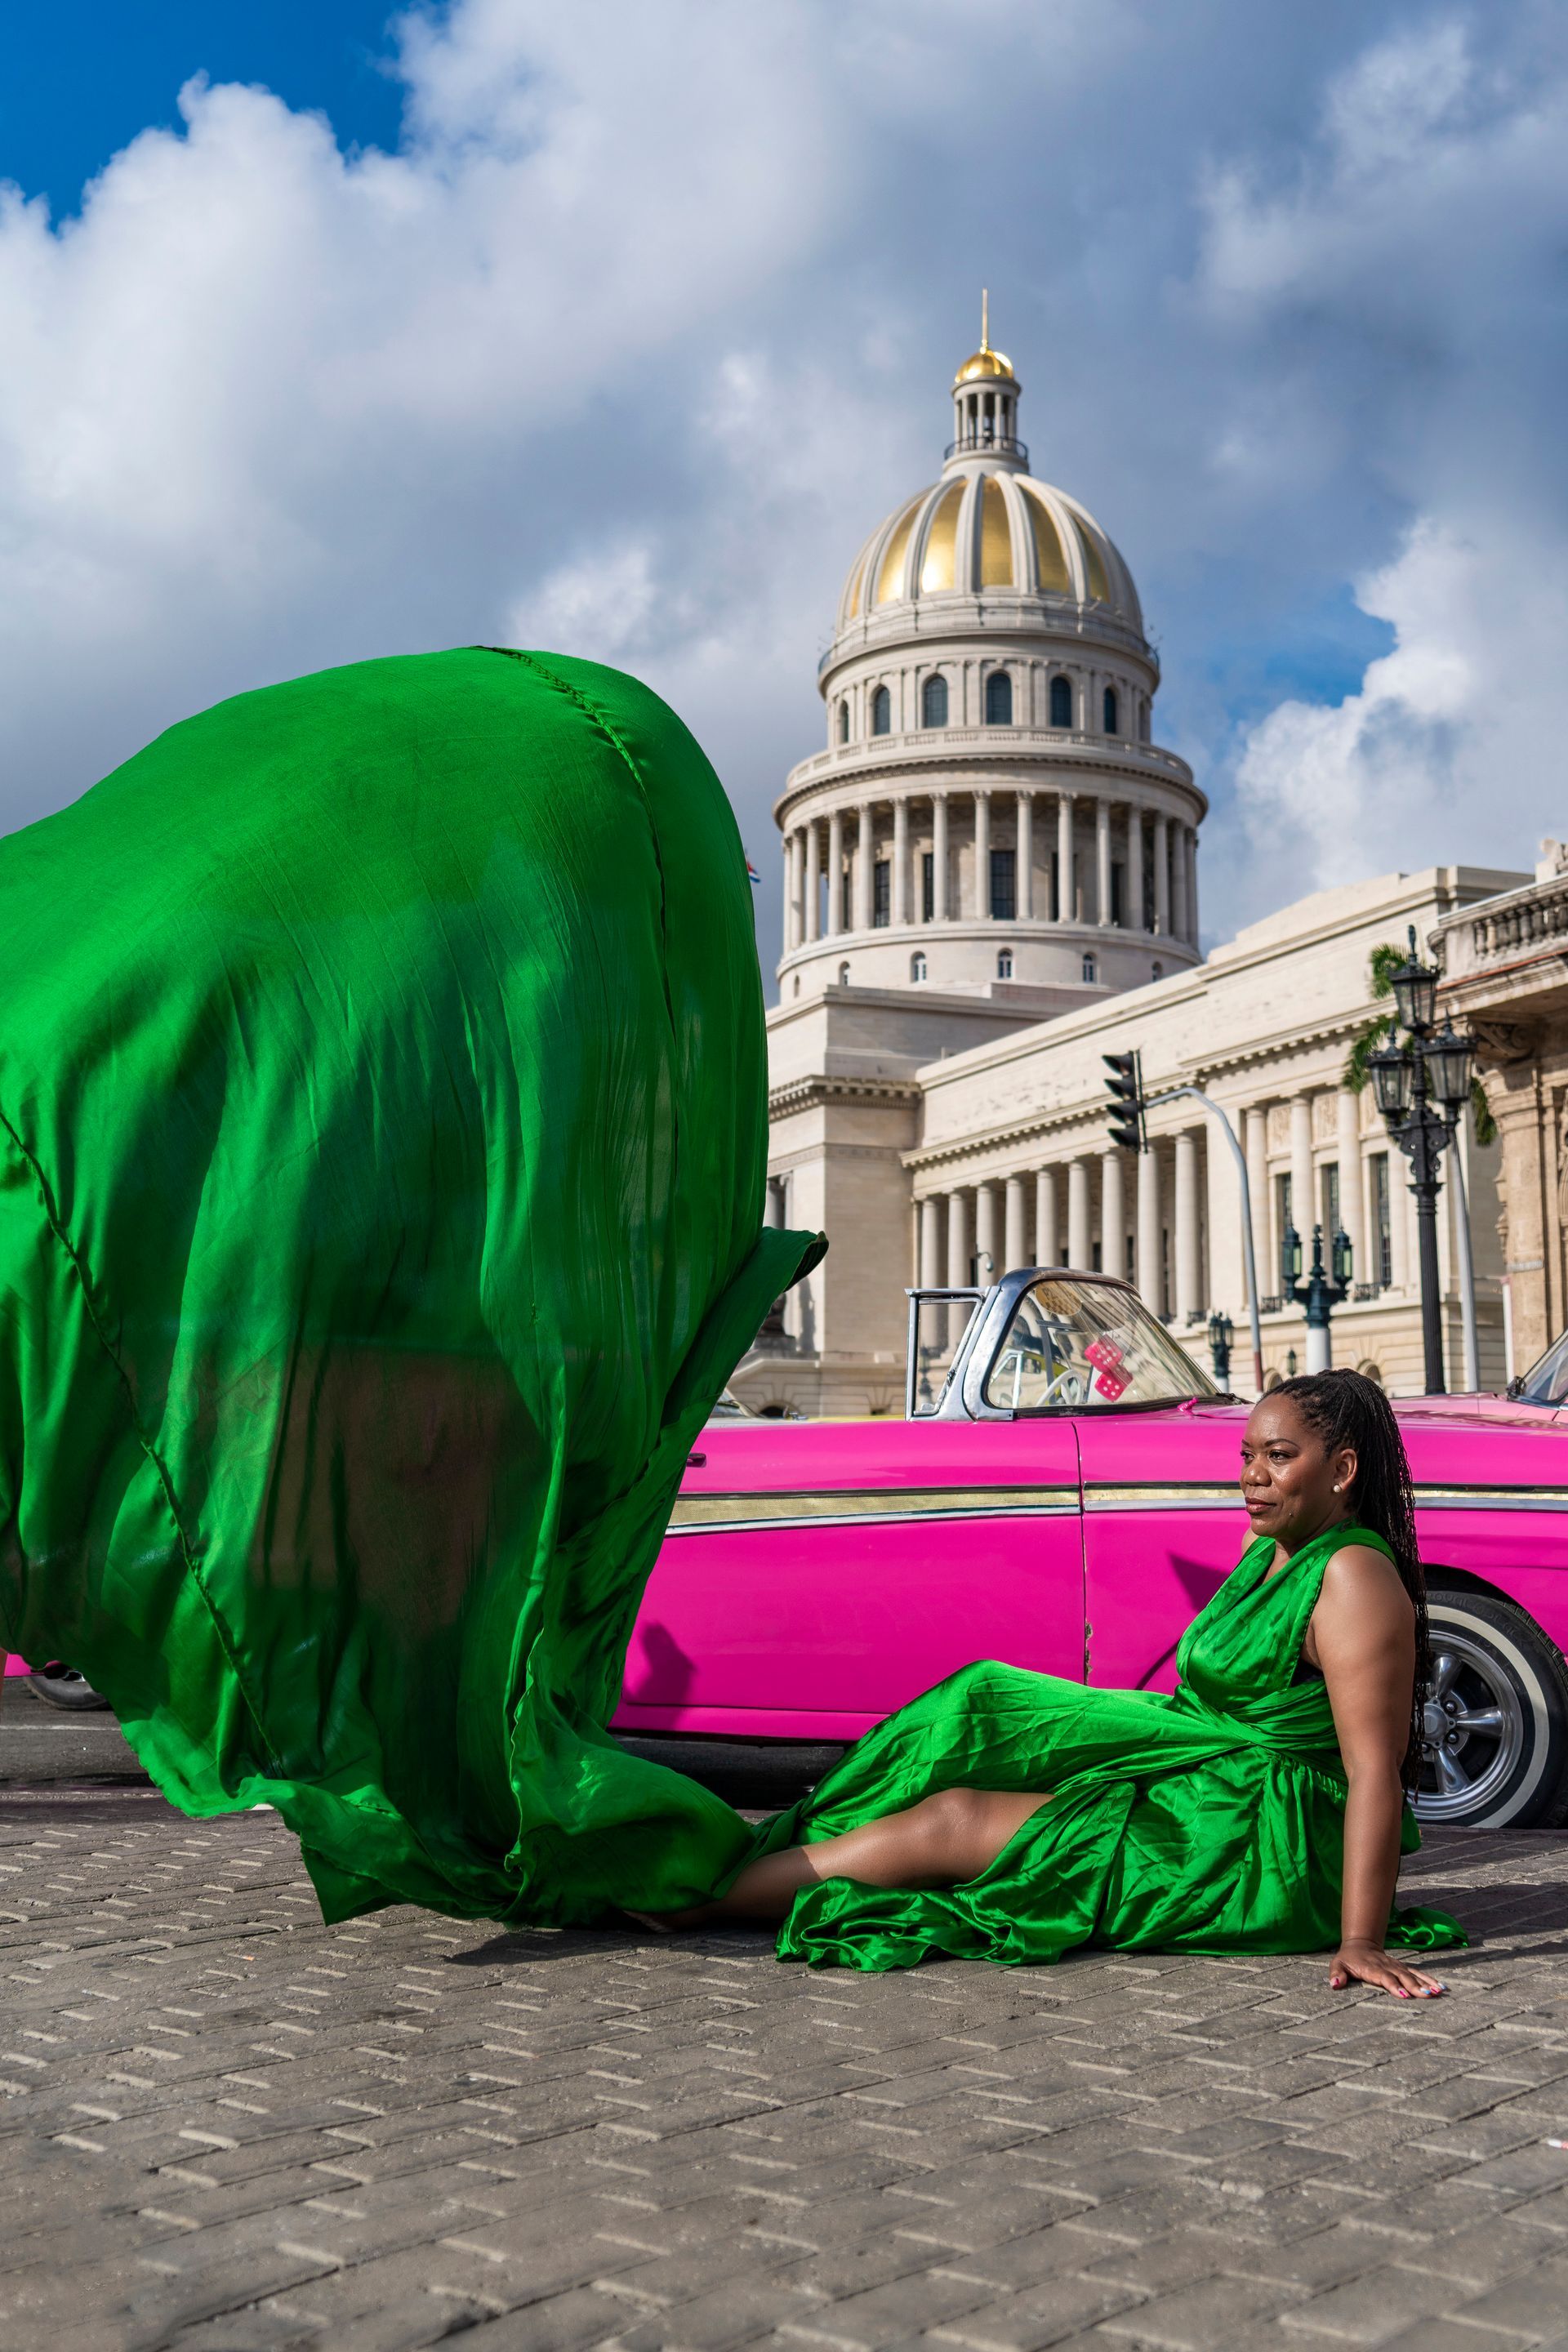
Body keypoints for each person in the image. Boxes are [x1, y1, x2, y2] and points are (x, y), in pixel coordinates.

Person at [635, 1369, 1464, 1993]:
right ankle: (738, 1879)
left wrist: (1360, 1937)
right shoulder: (1277, 1548)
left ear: (1343, 1469)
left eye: (1279, 1458)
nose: (1252, 1475)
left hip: (1265, 1845)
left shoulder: (1353, 1577)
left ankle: (708, 1903)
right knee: (975, 1725)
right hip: (1203, 1780)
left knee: (956, 1821)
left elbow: (1371, 1774)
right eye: (1247, 1454)